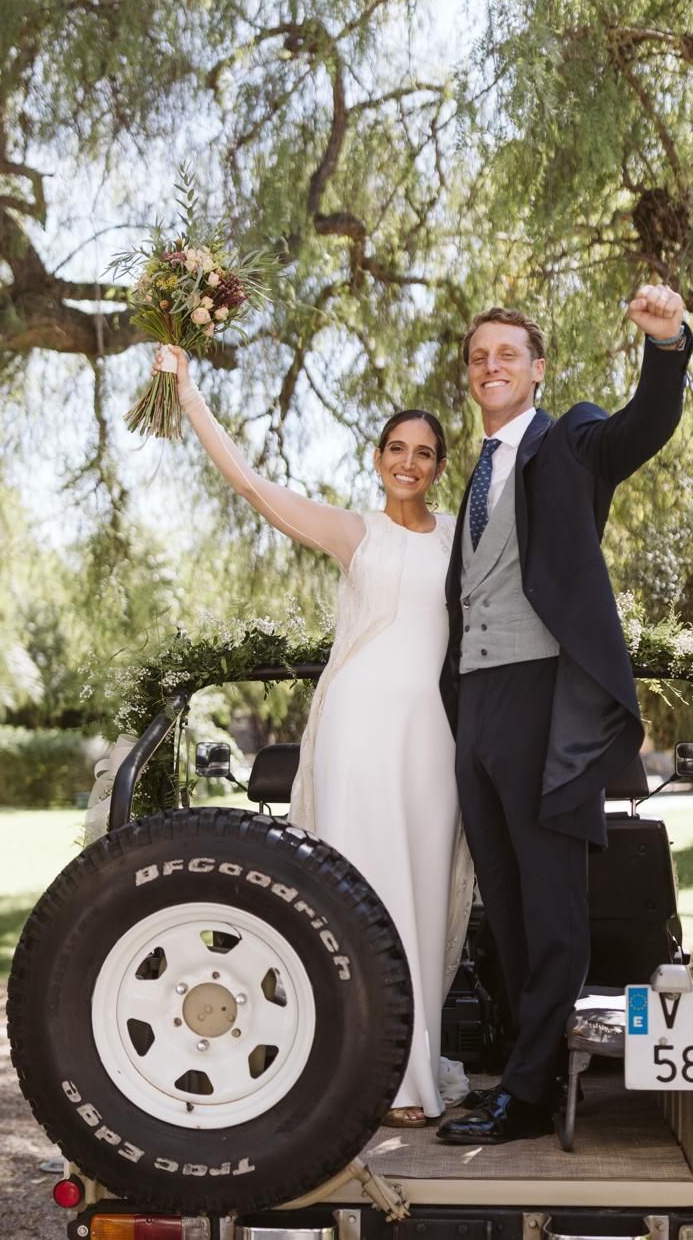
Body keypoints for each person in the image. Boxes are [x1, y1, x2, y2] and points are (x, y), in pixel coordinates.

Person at [152, 345, 473, 1127]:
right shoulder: (353, 531)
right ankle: (356, 1073)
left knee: (425, 895)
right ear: (377, 459)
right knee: (358, 892)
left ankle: (411, 1069)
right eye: (397, 449)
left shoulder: (459, 535)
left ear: (437, 468)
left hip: (428, 736)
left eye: (423, 454)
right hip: (357, 727)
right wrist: (189, 393)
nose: (409, 462)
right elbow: (252, 486)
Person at [435, 287, 693, 1146]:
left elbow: (640, 430)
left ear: (536, 369)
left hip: (545, 694)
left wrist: (666, 346)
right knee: (502, 901)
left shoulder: (569, 440)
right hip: (476, 701)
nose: (491, 366)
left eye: (507, 354)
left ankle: (530, 1094)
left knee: (550, 906)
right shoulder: (476, 470)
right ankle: (522, 1070)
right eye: (478, 357)